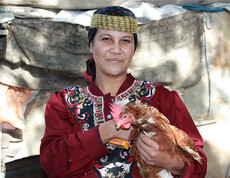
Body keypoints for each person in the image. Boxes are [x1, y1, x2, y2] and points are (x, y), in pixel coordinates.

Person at [40, 6, 207, 178]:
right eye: (106, 39)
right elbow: (52, 164)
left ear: (134, 48)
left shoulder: (160, 97)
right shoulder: (65, 101)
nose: (116, 49)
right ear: (91, 44)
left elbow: (198, 164)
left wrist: (172, 163)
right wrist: (106, 131)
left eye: (125, 40)